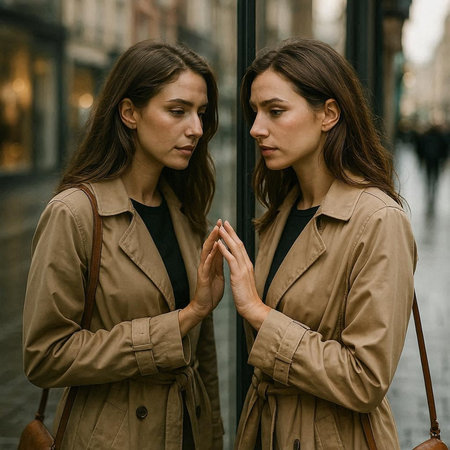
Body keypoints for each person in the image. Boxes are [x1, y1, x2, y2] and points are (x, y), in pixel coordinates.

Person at [23, 41, 224, 449]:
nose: (196, 129)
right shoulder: (76, 213)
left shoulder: (184, 211)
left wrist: (213, 438)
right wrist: (180, 322)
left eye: (200, 113)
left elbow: (203, 360)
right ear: (129, 112)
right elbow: (45, 356)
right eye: (177, 111)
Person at [218, 38, 417, 449]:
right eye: (255, 112)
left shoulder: (377, 219)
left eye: (275, 111)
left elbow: (366, 380)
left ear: (328, 113)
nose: (256, 128)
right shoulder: (282, 210)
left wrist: (257, 312)